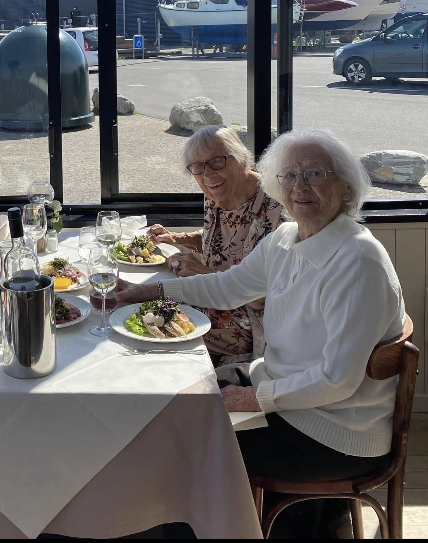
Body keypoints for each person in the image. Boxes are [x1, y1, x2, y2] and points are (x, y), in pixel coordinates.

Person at [118, 128, 402, 491]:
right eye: (289, 175)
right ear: (276, 184)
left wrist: (252, 398)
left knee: (184, 450)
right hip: (281, 390)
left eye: (314, 173)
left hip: (332, 430)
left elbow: (337, 381)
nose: (299, 186)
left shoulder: (358, 262)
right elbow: (225, 287)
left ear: (346, 188)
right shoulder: (284, 239)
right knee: (172, 401)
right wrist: (145, 291)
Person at [146, 125, 285, 365]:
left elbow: (266, 297)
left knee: (158, 327)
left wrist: (205, 273)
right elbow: (223, 242)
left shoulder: (276, 208)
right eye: (197, 167)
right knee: (148, 307)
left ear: (241, 158)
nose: (207, 174)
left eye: (217, 161)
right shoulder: (216, 194)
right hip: (212, 297)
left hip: (253, 322)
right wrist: (176, 239)